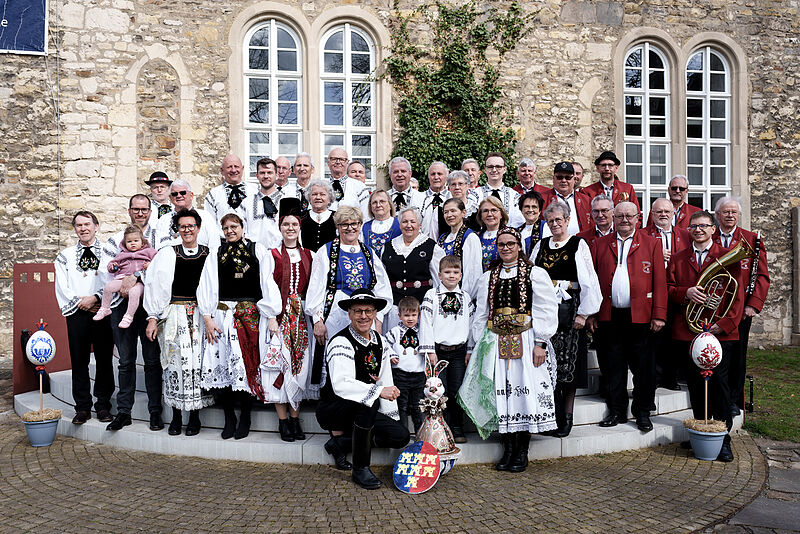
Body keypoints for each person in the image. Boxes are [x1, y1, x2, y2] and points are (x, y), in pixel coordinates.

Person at [460, 227, 558, 473]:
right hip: (494, 340)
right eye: (501, 244)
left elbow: (546, 309)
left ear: (518, 246)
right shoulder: (488, 277)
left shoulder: (534, 273)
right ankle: (508, 449)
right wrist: (474, 345)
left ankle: (521, 451)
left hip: (526, 339)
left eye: (510, 243)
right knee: (500, 392)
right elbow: (482, 314)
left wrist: (541, 343)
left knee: (522, 392)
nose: (505, 248)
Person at [667, 210, 743, 462]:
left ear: (713, 229)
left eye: (703, 226)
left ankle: (723, 438)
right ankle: (700, 431)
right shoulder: (678, 258)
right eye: (693, 226)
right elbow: (668, 289)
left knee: (720, 387)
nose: (698, 230)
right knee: (695, 385)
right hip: (689, 332)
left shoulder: (726, 257)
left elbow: (737, 294)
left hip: (719, 333)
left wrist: (725, 324)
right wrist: (685, 293)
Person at [315, 289, 411, 489]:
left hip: (366, 406)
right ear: (349, 313)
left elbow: (384, 378)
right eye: (358, 311)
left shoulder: (380, 341)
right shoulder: (340, 342)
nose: (363, 316)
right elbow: (341, 384)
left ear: (375, 313)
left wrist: (388, 405)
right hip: (335, 408)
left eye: (368, 310)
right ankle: (361, 469)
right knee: (368, 403)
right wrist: (378, 392)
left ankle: (340, 444)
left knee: (400, 435)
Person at [198, 213, 281, 440]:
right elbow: (206, 284)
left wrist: (272, 314)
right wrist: (207, 318)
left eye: (234, 226)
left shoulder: (257, 250)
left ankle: (245, 416)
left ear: (242, 227)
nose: (230, 231)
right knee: (223, 365)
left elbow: (267, 282)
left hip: (250, 317)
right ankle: (229, 418)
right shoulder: (217, 253)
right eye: (225, 228)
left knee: (246, 366)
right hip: (223, 316)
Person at [588, 202, 666, 433]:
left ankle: (642, 412)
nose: (624, 220)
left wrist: (659, 314)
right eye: (620, 215)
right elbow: (591, 282)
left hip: (641, 317)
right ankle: (616, 411)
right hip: (609, 316)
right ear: (613, 217)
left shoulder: (652, 244)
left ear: (638, 218)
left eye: (629, 216)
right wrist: (592, 313)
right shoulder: (600, 244)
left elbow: (660, 282)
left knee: (644, 369)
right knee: (612, 367)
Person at [532, 202, 602, 437]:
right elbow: (532, 275)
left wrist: (584, 313)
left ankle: (567, 418)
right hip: (545, 311)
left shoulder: (577, 244)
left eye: (558, 220)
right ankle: (550, 416)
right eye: (550, 221)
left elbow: (589, 279)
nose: (554, 225)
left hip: (570, 311)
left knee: (568, 367)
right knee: (547, 366)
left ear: (567, 219)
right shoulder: (541, 245)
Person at [144, 209, 215, 436]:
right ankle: (176, 416)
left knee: (197, 364)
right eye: (182, 226)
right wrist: (153, 318)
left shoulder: (208, 253)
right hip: (175, 314)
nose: (187, 230)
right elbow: (156, 285)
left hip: (201, 315)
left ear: (198, 228)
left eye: (191, 226)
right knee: (175, 363)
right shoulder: (167, 253)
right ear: (178, 229)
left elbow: (214, 287)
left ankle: (194, 417)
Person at [307, 206, 393, 384]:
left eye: (354, 223)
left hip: (363, 316)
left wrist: (378, 320)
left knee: (362, 361)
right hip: (335, 315)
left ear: (361, 225)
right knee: (337, 358)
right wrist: (317, 320)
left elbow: (381, 288)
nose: (350, 228)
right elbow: (316, 287)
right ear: (337, 227)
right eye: (344, 224)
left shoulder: (369, 253)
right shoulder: (326, 251)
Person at [102, 195, 164, 431]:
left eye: (144, 209)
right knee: (126, 361)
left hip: (148, 307)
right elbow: (106, 269)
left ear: (151, 210)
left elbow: (162, 268)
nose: (140, 213)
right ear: (129, 210)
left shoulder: (159, 236)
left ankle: (155, 412)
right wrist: (122, 279)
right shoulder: (116, 240)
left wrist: (137, 276)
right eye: (136, 209)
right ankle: (124, 412)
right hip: (122, 303)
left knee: (151, 361)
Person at [55, 211, 115, 425]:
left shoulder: (109, 252)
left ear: (96, 226)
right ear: (75, 229)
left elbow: (113, 278)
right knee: (79, 361)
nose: (83, 228)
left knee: (104, 360)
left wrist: (97, 298)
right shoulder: (65, 256)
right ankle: (82, 407)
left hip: (102, 310)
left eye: (87, 224)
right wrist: (81, 303)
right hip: (77, 313)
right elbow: (62, 285)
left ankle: (103, 405)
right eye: (79, 225)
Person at [713, 197, 769, 416]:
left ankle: (734, 401)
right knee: (715, 354)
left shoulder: (751, 239)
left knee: (737, 356)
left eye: (734, 212)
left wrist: (753, 305)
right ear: (717, 215)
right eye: (725, 212)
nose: (730, 216)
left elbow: (762, 275)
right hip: (716, 309)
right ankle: (714, 396)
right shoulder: (709, 236)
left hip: (741, 311)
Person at [268, 201, 316, 439]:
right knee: (280, 366)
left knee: (299, 366)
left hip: (301, 319)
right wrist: (271, 316)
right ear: (280, 227)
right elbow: (266, 287)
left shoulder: (309, 255)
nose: (290, 228)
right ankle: (283, 421)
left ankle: (296, 420)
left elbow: (314, 289)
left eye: (294, 224)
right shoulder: (272, 255)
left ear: (300, 227)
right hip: (280, 317)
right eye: (285, 224)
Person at [420, 255, 475, 443]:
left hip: (459, 352)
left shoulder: (465, 297)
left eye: (455, 272)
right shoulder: (431, 296)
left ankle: (457, 426)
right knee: (438, 390)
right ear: (439, 274)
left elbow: (472, 324)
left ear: (461, 275)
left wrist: (470, 350)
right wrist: (429, 350)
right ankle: (439, 427)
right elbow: (425, 324)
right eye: (447, 272)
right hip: (438, 351)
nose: (451, 276)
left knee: (456, 389)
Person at [644, 197, 691, 391]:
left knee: (674, 337)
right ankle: (654, 376)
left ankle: (671, 378)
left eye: (667, 212)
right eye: (658, 212)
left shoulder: (685, 235)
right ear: (652, 214)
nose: (663, 215)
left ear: (673, 214)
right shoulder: (643, 234)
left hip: (676, 291)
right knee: (654, 338)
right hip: (653, 293)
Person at [380, 207, 445, 332]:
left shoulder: (431, 247)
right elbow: (382, 280)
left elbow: (439, 281)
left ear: (419, 224)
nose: (408, 225)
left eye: (412, 221)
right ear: (399, 225)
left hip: (421, 309)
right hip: (395, 309)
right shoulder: (388, 247)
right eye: (404, 222)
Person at [93, 226, 157, 328]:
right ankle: (105, 308)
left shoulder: (149, 252)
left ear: (142, 242)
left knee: (134, 292)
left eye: (136, 241)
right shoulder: (122, 255)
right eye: (129, 241)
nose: (132, 243)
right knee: (109, 287)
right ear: (124, 243)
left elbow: (158, 263)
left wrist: (150, 265)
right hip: (122, 278)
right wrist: (113, 267)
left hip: (140, 282)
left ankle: (128, 316)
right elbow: (111, 264)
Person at [385, 296, 426, 433]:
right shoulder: (395, 332)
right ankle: (403, 434)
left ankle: (420, 435)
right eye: (406, 315)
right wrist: (391, 354)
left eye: (414, 315)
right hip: (401, 375)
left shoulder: (422, 332)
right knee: (401, 406)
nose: (410, 318)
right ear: (399, 315)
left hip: (419, 375)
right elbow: (384, 343)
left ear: (418, 315)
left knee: (418, 406)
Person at [438, 197, 482, 299]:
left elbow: (473, 273)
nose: (449, 215)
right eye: (446, 212)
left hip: (462, 296)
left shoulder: (470, 237)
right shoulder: (443, 238)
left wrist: (464, 297)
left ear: (463, 213)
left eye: (453, 211)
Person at [154, 180, 216, 250]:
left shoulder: (205, 216)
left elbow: (214, 244)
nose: (179, 196)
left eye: (183, 193)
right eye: (174, 194)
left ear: (191, 195)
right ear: (170, 198)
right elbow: (158, 246)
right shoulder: (164, 219)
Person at [467, 152, 524, 227]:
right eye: (490, 167)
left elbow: (519, 221)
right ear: (485, 170)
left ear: (504, 169)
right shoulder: (475, 194)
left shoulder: (514, 195)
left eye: (498, 167)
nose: (494, 170)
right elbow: (469, 219)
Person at [204, 154, 257, 231]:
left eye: (236, 166)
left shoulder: (255, 190)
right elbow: (209, 223)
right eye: (229, 167)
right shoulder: (213, 195)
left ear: (242, 168)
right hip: (223, 241)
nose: (233, 170)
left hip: (251, 240)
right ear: (222, 170)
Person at [541, 162, 592, 235]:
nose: (564, 180)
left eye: (568, 177)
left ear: (574, 179)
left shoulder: (586, 200)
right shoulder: (542, 199)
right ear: (553, 178)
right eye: (559, 177)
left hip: (579, 243)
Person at [244, 157, 284, 248]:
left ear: (276, 175)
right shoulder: (247, 202)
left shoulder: (285, 201)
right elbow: (242, 230)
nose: (266, 176)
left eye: (269, 172)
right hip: (253, 254)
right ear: (257, 176)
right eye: (262, 173)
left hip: (279, 253)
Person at [327, 147, 369, 217]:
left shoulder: (360, 186)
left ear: (347, 162)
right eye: (334, 159)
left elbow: (365, 215)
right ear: (328, 162)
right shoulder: (321, 186)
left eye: (341, 159)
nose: (338, 162)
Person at [300, 178, 337, 252]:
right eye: (314, 194)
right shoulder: (301, 217)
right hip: (307, 260)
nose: (318, 197)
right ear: (309, 197)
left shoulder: (337, 217)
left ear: (329, 198)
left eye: (322, 194)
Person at [361, 189, 401, 257]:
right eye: (374, 202)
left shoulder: (400, 224)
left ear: (390, 204)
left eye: (382, 201)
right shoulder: (364, 227)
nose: (378, 205)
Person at [420, 161, 452, 240]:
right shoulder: (419, 198)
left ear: (446, 176)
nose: (436, 177)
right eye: (433, 174)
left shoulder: (452, 198)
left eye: (439, 174)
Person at [476, 196, 508, 271]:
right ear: (480, 215)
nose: (489, 214)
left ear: (501, 214)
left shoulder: (509, 235)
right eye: (485, 211)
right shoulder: (476, 237)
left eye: (494, 210)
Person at [518, 191, 547, 257]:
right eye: (527, 206)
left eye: (534, 207)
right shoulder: (518, 231)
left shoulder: (547, 227)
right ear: (521, 210)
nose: (530, 210)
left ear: (539, 210)